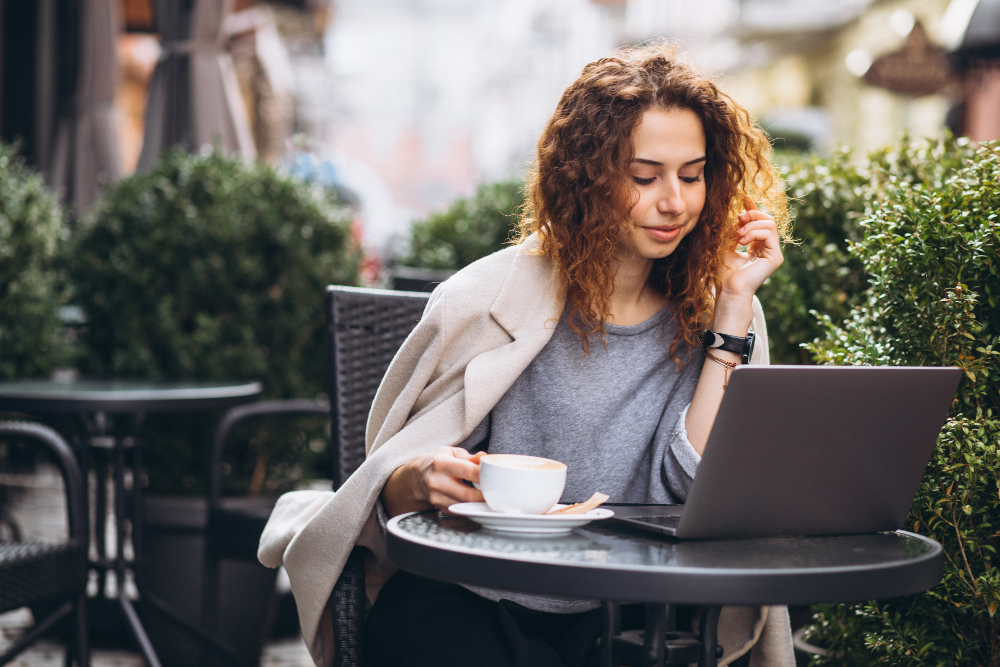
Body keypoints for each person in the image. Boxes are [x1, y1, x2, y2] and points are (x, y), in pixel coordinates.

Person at [259, 42, 795, 667]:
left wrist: (731, 315)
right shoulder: (485, 298)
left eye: (692, 174)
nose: (674, 201)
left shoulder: (719, 311)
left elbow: (702, 493)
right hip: (469, 600)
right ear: (588, 175)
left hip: (632, 610)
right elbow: (385, 497)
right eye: (644, 177)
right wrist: (419, 478)